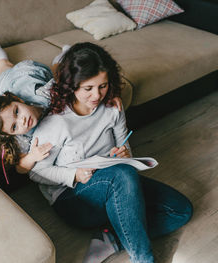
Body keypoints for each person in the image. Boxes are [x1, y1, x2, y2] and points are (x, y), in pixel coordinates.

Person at [29, 42, 193, 263]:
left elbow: (124, 145)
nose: (97, 96)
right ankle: (143, 259)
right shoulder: (57, 123)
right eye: (88, 88)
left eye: (103, 86)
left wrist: (126, 154)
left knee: (181, 210)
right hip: (73, 198)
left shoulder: (112, 107)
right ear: (72, 85)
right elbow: (36, 172)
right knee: (122, 175)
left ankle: (111, 240)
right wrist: (74, 175)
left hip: (116, 179)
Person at [0, 38, 122, 174]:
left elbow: (69, 83)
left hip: (26, 75)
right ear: (9, 134)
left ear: (17, 100)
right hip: (13, 85)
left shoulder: (45, 93)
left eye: (17, 112)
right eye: (14, 127)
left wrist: (109, 95)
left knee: (51, 70)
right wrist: (32, 157)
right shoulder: (22, 138)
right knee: (6, 65)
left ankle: (64, 54)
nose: (22, 121)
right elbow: (20, 168)